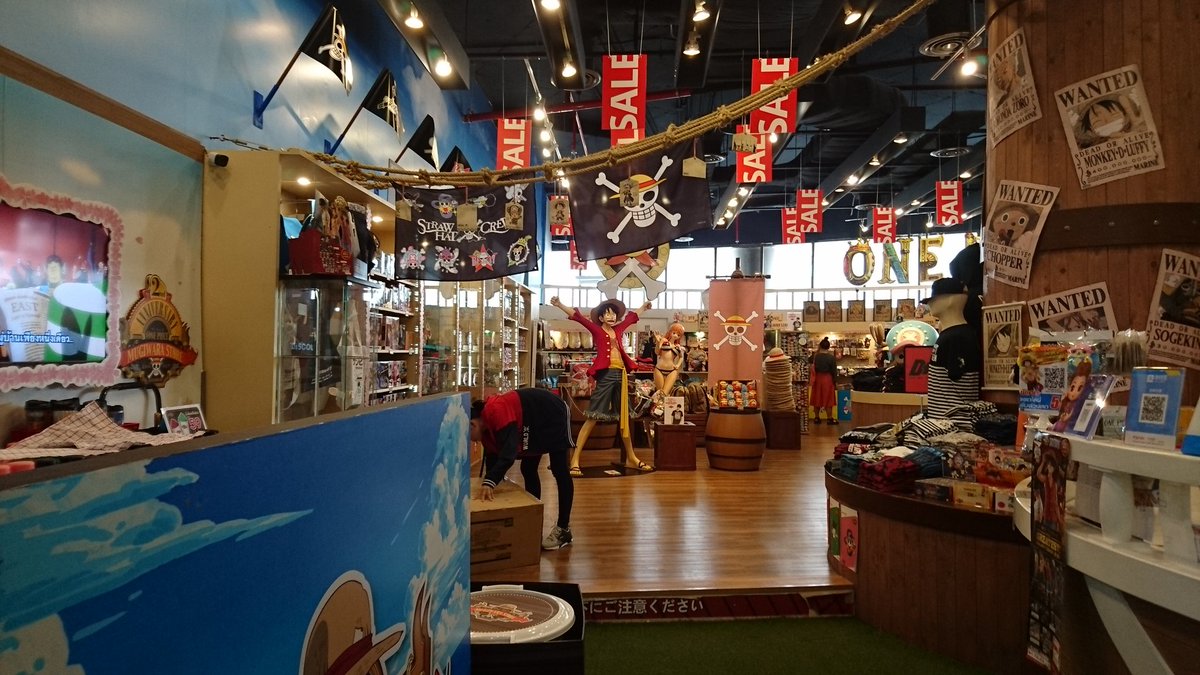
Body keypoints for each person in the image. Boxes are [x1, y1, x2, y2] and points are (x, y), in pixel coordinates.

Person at [549, 295, 653, 475]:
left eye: (614, 314)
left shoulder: (619, 328)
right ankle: (575, 459)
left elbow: (632, 317)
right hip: (606, 376)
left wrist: (644, 306)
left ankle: (631, 458)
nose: (612, 317)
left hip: (621, 375)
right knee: (593, 416)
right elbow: (578, 317)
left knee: (624, 417)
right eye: (608, 314)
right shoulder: (596, 330)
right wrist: (559, 304)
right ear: (601, 317)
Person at [472, 388, 575, 550]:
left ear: (472, 424)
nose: (471, 441)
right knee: (528, 469)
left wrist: (490, 481)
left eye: (468, 436)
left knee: (559, 469)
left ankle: (564, 529)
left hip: (551, 411)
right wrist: (490, 484)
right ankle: (532, 521)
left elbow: (509, 453)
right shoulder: (486, 432)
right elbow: (493, 462)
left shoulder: (495, 412)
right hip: (529, 421)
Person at [653, 322, 686, 404]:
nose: (675, 335)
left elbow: (681, 357)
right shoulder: (664, 341)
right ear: (670, 332)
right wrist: (658, 342)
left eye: (678, 335)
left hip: (672, 371)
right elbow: (657, 352)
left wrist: (678, 365)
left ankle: (665, 409)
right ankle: (660, 409)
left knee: (665, 393)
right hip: (659, 369)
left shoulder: (677, 346)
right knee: (660, 394)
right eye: (674, 333)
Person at [810, 337, 838, 425]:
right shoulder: (831, 358)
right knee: (829, 399)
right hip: (828, 379)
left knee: (817, 398)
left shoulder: (815, 356)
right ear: (828, 347)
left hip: (818, 379)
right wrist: (835, 381)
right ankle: (829, 418)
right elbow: (834, 371)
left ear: (820, 346)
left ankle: (816, 418)